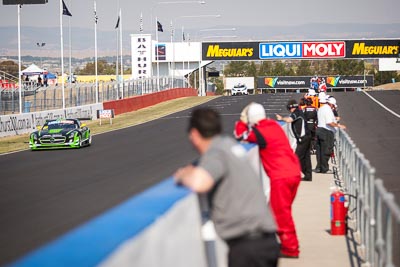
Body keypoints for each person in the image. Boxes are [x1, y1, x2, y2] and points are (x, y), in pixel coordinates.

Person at [174, 107, 280, 267]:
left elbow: (200, 183)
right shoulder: (228, 144)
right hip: (266, 239)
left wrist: (182, 174)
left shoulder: (216, 152)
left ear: (194, 134)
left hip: (248, 246)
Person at [235, 103, 302, 258]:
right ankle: (278, 243)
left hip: (281, 176)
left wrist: (242, 122)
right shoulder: (274, 125)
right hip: (293, 171)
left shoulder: (259, 131)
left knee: (280, 214)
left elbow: (240, 136)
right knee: (278, 211)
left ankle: (290, 248)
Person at [276, 99, 312, 182]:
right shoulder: (299, 111)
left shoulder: (296, 112)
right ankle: (308, 175)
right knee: (306, 157)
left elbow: (289, 120)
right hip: (306, 136)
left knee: (297, 157)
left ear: (291, 107)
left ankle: (293, 175)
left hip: (303, 138)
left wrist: (281, 118)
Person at [315, 97, 346, 173]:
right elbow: (329, 122)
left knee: (319, 151)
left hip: (319, 130)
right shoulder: (328, 110)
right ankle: (324, 168)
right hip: (326, 132)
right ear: (331, 104)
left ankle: (319, 167)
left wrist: (334, 118)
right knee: (326, 150)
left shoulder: (321, 108)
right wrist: (339, 126)